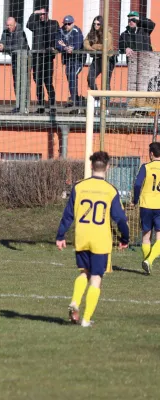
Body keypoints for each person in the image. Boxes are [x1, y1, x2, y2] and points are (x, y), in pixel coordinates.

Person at [56, 151, 129, 327]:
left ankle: (75, 301)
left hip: (81, 236)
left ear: (90, 166)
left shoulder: (79, 187)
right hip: (100, 240)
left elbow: (68, 215)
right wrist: (125, 238)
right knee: (96, 278)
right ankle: (86, 319)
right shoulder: (110, 190)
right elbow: (119, 218)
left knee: (84, 273)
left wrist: (60, 235)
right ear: (108, 167)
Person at [133, 143, 160, 275]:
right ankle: (149, 261)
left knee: (146, 237)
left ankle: (147, 262)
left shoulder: (146, 167)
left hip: (146, 205)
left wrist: (135, 199)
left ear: (151, 154)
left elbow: (137, 184)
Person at [27, 7, 59, 115]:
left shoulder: (53, 24)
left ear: (47, 14)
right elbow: (28, 24)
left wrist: (54, 48)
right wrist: (35, 12)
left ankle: (52, 106)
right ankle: (40, 106)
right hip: (37, 57)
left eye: (43, 14)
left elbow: (58, 36)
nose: (41, 16)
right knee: (38, 82)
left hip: (48, 57)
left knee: (48, 82)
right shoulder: (36, 24)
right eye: (40, 15)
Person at [0, 17, 29, 113]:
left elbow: (19, 46)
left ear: (15, 24)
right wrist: (0, 45)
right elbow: (2, 41)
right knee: (16, 83)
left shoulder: (20, 32)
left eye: (10, 25)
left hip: (24, 60)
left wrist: (4, 48)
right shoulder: (5, 32)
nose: (9, 27)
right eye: (7, 25)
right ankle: (19, 105)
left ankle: (25, 106)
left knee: (23, 83)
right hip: (15, 59)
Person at [84, 16, 115, 108]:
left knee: (106, 82)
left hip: (108, 59)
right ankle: (97, 98)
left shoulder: (107, 33)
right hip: (97, 58)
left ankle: (106, 106)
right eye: (94, 24)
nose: (95, 26)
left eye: (98, 24)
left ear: (102, 24)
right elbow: (85, 43)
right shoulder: (92, 33)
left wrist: (94, 46)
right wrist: (91, 48)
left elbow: (106, 46)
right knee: (90, 78)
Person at [56, 15, 85, 110]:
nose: (67, 26)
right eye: (65, 24)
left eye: (69, 24)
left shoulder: (77, 31)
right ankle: (76, 99)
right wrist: (65, 48)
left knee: (72, 75)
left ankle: (74, 100)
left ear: (73, 23)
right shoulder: (61, 31)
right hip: (68, 59)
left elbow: (77, 44)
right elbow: (57, 43)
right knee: (70, 76)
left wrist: (66, 46)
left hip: (78, 59)